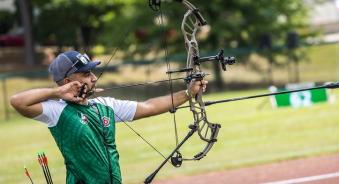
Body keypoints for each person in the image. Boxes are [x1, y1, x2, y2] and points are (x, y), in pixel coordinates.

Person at [10, 50, 207, 184]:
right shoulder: (56, 111)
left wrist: (188, 93)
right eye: (86, 74)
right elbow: (18, 101)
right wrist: (57, 92)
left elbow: (149, 106)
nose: (94, 78)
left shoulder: (105, 106)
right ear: (68, 81)